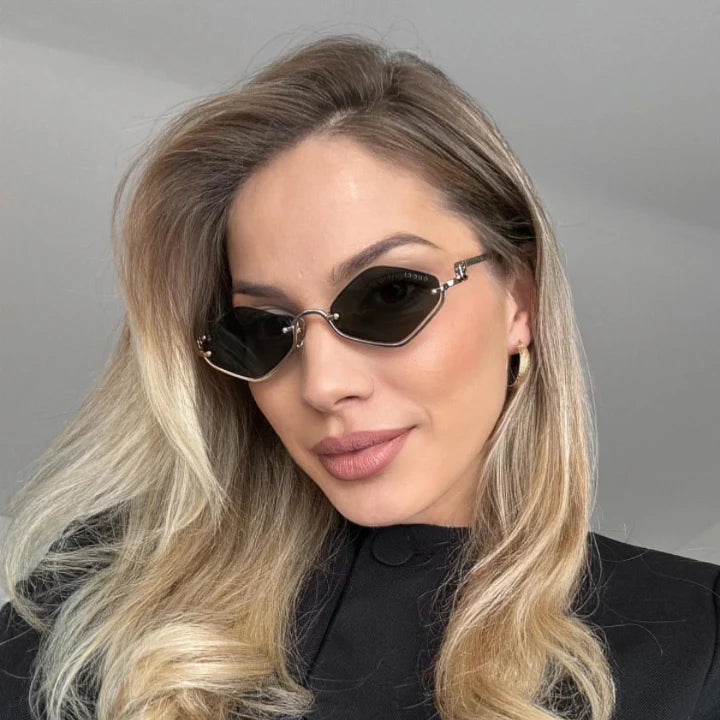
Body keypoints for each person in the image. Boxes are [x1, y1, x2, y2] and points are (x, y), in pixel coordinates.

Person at [0, 34, 718, 720]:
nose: (322, 385)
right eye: (263, 329)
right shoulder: (85, 610)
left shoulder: (695, 637)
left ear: (520, 303)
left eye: (389, 294)